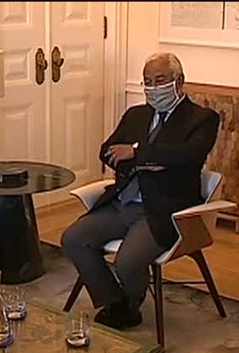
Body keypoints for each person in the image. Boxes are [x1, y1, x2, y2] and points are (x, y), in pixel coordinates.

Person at [61, 53, 220, 329]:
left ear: (179, 81)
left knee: (127, 262)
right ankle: (117, 303)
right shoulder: (136, 115)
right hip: (122, 202)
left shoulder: (202, 118)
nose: (153, 88)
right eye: (148, 81)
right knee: (73, 239)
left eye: (160, 80)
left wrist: (137, 153)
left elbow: (188, 155)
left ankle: (131, 302)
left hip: (165, 210)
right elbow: (106, 151)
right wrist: (149, 161)